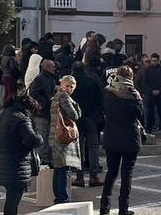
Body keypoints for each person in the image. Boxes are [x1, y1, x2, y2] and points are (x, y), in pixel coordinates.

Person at [99, 65, 144, 215]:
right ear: (131, 77)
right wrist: (138, 99)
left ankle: (104, 208)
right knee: (127, 175)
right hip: (130, 138)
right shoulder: (133, 93)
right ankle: (123, 209)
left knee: (111, 172)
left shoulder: (108, 91)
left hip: (112, 136)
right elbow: (139, 114)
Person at [0, 95, 43, 215]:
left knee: (11, 198)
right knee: (13, 200)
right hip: (16, 166)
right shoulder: (21, 119)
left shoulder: (0, 116)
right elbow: (32, 140)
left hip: (1, 163)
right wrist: (40, 137)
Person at [49, 75, 82, 204]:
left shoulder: (55, 97)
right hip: (63, 136)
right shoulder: (64, 97)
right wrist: (76, 104)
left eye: (71, 87)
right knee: (63, 168)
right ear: (61, 85)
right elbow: (75, 115)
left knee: (58, 168)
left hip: (55, 134)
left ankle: (58, 197)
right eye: (67, 86)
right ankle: (63, 198)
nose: (69, 89)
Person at [71, 61, 104, 187]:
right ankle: (93, 176)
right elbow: (100, 101)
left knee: (78, 148)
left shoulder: (70, 83)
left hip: (75, 119)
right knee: (93, 147)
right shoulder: (91, 81)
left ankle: (79, 177)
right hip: (90, 117)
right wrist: (95, 115)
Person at [28, 58, 57, 166]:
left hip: (48, 112)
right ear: (47, 67)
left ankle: (46, 158)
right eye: (53, 66)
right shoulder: (40, 79)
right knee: (41, 136)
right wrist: (46, 101)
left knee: (48, 137)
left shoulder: (51, 79)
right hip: (41, 112)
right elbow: (34, 93)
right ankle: (38, 159)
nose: (54, 68)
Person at [140, 53, 161, 134]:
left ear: (158, 61)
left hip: (160, 93)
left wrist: (160, 90)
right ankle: (149, 128)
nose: (154, 62)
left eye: (156, 61)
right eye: (153, 61)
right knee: (150, 112)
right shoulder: (147, 70)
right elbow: (144, 82)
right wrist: (151, 91)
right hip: (150, 94)